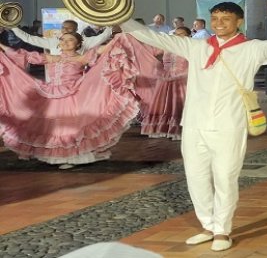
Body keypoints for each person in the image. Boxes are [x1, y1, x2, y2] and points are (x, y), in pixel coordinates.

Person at [120, 0, 267, 252]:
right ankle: (207, 226)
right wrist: (119, 16)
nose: (219, 24)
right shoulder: (197, 47)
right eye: (215, 19)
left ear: (238, 21)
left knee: (225, 177)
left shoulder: (251, 49)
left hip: (228, 125)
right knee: (196, 176)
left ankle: (223, 230)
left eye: (225, 19)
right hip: (194, 123)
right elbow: (150, 36)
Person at [0, 32, 139, 169]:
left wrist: (118, 38)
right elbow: (23, 55)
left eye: (70, 40)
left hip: (74, 94)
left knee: (70, 127)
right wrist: (2, 46)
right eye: (62, 39)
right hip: (52, 93)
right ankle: (59, 156)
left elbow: (104, 49)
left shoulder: (82, 58)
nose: (65, 42)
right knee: (52, 127)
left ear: (78, 44)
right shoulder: (52, 57)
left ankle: (73, 157)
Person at [139, 26, 191, 141]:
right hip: (165, 79)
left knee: (178, 105)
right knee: (163, 105)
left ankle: (180, 130)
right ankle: (163, 128)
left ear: (188, 36)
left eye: (181, 34)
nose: (178, 36)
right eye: (176, 34)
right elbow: (149, 53)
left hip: (183, 80)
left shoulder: (190, 48)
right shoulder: (167, 47)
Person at [10, 20, 113, 55]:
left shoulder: (83, 41)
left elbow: (102, 37)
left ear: (75, 29)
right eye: (63, 27)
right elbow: (29, 38)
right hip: (55, 80)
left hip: (76, 80)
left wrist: (111, 25)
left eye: (69, 28)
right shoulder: (53, 41)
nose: (65, 30)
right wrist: (13, 27)